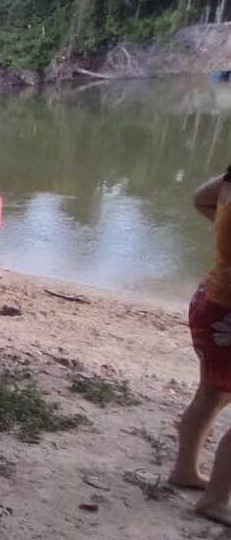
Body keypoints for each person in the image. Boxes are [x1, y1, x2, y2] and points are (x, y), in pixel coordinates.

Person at [170, 168, 231, 525]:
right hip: (228, 314)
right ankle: (215, 500)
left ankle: (185, 471)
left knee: (212, 393)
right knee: (213, 394)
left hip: (212, 300)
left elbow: (200, 199)